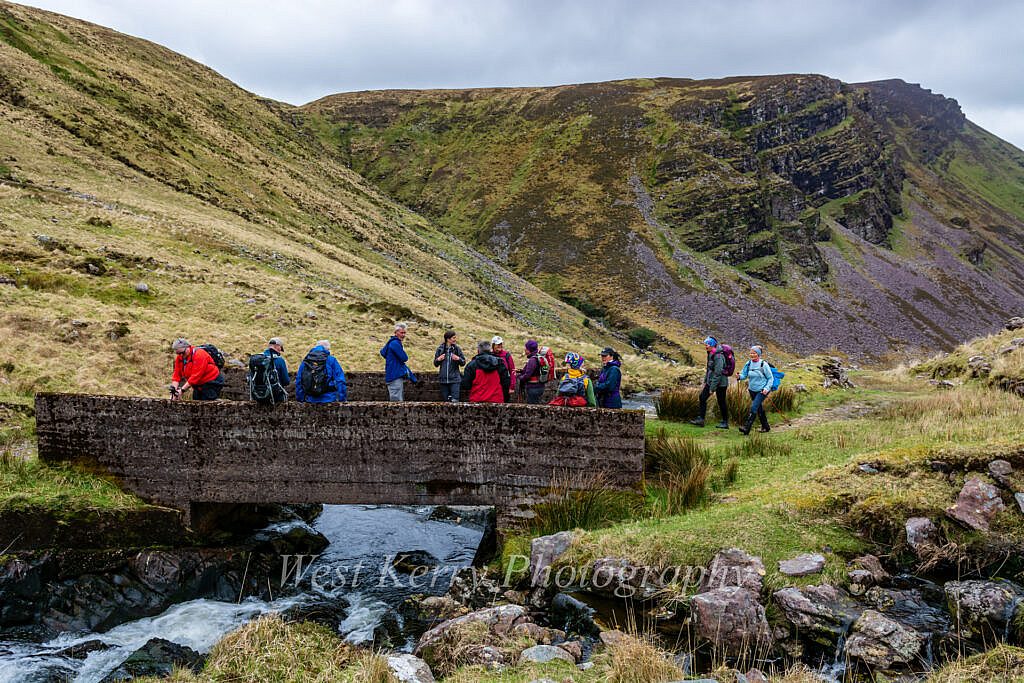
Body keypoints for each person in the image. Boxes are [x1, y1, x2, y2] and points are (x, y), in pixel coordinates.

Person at [690, 336, 730, 429]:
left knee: (721, 402)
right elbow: (709, 369)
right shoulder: (710, 353)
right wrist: (705, 381)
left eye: (707, 344)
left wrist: (712, 388)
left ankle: (725, 422)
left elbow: (718, 373)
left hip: (721, 383)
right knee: (702, 397)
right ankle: (701, 419)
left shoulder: (718, 356)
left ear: (712, 345)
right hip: (711, 381)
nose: (706, 346)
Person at [737, 345, 774, 435]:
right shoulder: (748, 363)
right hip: (752, 390)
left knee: (754, 407)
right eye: (751, 353)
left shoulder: (763, 364)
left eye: (754, 353)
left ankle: (747, 428)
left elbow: (770, 378)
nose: (752, 355)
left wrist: (766, 388)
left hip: (762, 390)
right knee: (758, 408)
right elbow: (744, 375)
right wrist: (739, 377)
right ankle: (766, 426)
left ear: (758, 354)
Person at [381, 322, 414, 402]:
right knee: (396, 401)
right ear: (396, 333)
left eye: (404, 333)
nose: (403, 335)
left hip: (392, 374)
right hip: (395, 375)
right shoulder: (395, 344)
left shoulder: (392, 343)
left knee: (397, 398)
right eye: (401, 332)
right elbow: (404, 358)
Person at [434, 330, 465, 402]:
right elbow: (435, 364)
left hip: (455, 380)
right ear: (448, 339)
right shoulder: (440, 349)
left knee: (455, 401)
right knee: (446, 402)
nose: (455, 339)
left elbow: (463, 362)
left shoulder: (457, 349)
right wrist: (438, 359)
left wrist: (458, 359)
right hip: (443, 380)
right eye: (453, 338)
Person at [517, 340, 547, 405]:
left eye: (526, 349)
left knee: (532, 406)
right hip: (540, 386)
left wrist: (519, 377)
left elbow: (527, 376)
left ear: (530, 350)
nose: (525, 350)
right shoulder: (538, 357)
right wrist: (521, 371)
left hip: (533, 388)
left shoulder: (532, 360)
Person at [263, 337, 291, 403]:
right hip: (275, 397)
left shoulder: (258, 359)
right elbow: (286, 381)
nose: (280, 350)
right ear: (277, 346)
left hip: (259, 395)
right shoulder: (280, 360)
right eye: (280, 348)